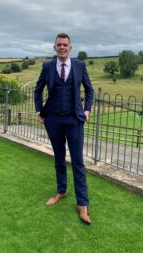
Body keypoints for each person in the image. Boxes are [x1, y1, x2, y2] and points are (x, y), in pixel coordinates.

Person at [34, 33, 94, 224]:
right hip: (53, 120)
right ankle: (61, 191)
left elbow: (89, 90)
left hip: (74, 120)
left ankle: (83, 205)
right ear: (54, 48)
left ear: (70, 47)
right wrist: (39, 111)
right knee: (59, 158)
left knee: (78, 161)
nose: (62, 47)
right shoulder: (47, 66)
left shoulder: (79, 65)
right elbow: (37, 89)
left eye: (65, 45)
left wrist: (87, 110)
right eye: (59, 45)